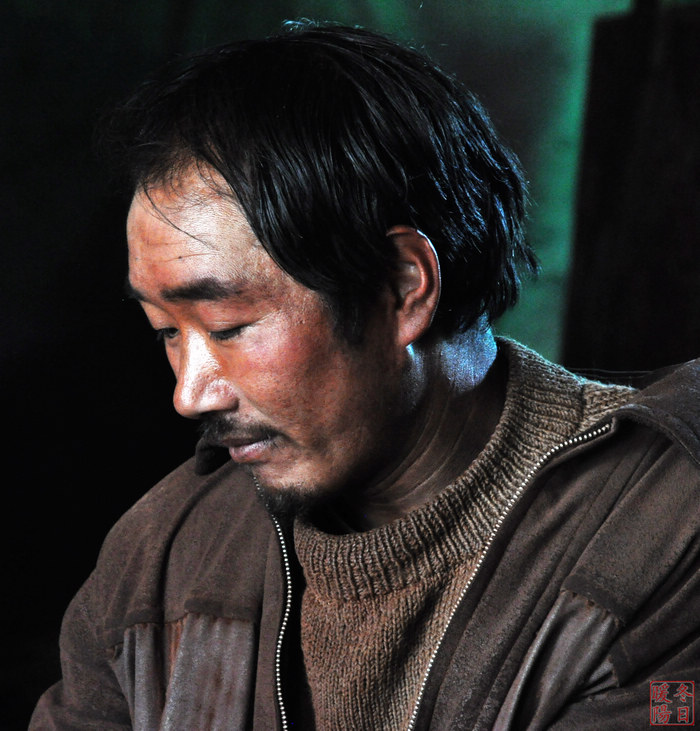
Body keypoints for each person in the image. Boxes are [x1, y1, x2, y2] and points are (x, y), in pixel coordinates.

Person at [31, 21, 699, 731]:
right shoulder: (163, 553)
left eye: (228, 326)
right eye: (167, 331)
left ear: (403, 286)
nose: (190, 394)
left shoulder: (663, 536)